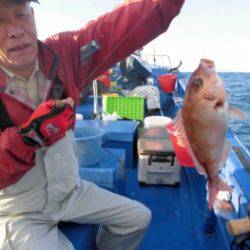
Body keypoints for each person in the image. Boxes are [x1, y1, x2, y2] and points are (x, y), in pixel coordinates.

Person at [0, 0, 184, 249]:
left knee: (137, 218)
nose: (15, 30)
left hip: (70, 191)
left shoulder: (65, 53)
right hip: (20, 212)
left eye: (21, 15)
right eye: (1, 21)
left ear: (33, 16)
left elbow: (129, 23)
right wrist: (28, 139)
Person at [119, 49, 161, 115]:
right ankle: (152, 115)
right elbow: (147, 73)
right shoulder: (134, 59)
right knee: (153, 90)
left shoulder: (125, 58)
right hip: (131, 91)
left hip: (126, 89)